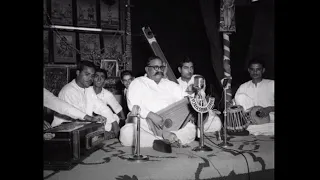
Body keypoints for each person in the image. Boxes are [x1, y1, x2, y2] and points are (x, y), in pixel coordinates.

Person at [119, 56, 197, 147]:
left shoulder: (171, 85)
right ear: (147, 69)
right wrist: (150, 115)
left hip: (172, 125)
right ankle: (161, 141)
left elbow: (186, 99)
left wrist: (193, 95)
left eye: (161, 67)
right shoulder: (138, 82)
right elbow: (133, 105)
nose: (159, 70)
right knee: (126, 133)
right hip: (147, 124)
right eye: (156, 67)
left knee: (192, 129)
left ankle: (169, 137)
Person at [51, 60, 120, 136]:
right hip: (64, 132)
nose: (90, 78)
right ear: (78, 73)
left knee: (111, 119)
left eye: (92, 75)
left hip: (81, 127)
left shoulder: (87, 89)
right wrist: (94, 121)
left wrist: (114, 122)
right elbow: (76, 118)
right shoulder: (69, 91)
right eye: (87, 74)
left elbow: (101, 106)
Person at [177, 57, 222, 136]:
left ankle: (198, 133)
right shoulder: (176, 83)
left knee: (217, 123)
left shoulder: (198, 78)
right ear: (180, 70)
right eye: (186, 68)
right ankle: (198, 133)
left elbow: (200, 96)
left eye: (191, 68)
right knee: (186, 128)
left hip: (201, 113)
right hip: (186, 116)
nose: (189, 70)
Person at [234, 58, 274, 122]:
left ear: (263, 70)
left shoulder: (272, 84)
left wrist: (269, 109)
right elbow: (236, 105)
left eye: (258, 69)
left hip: (271, 122)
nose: (255, 72)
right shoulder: (243, 87)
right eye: (252, 69)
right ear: (249, 70)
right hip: (251, 123)